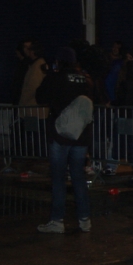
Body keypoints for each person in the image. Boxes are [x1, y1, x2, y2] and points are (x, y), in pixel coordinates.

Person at [35, 47, 93, 234]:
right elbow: (98, 99)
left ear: (59, 61)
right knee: (78, 176)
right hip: (81, 135)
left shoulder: (55, 77)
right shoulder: (86, 79)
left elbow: (40, 97)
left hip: (59, 135)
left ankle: (57, 220)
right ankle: (85, 219)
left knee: (58, 177)